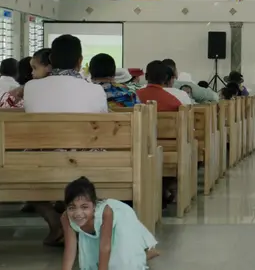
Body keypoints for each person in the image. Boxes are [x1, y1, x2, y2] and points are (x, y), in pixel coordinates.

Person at [23, 35, 108, 245]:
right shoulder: (95, 90)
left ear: (52, 59)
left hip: (40, 163)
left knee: (22, 158)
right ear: (80, 61)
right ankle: (80, 224)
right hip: (87, 162)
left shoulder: (31, 87)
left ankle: (55, 221)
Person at [61, 176, 158, 270]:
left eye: (84, 207)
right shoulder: (66, 218)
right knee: (97, 264)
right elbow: (70, 249)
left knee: (123, 262)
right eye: (71, 208)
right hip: (102, 228)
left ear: (94, 205)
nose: (78, 213)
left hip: (121, 217)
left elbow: (105, 247)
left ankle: (144, 254)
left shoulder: (106, 212)